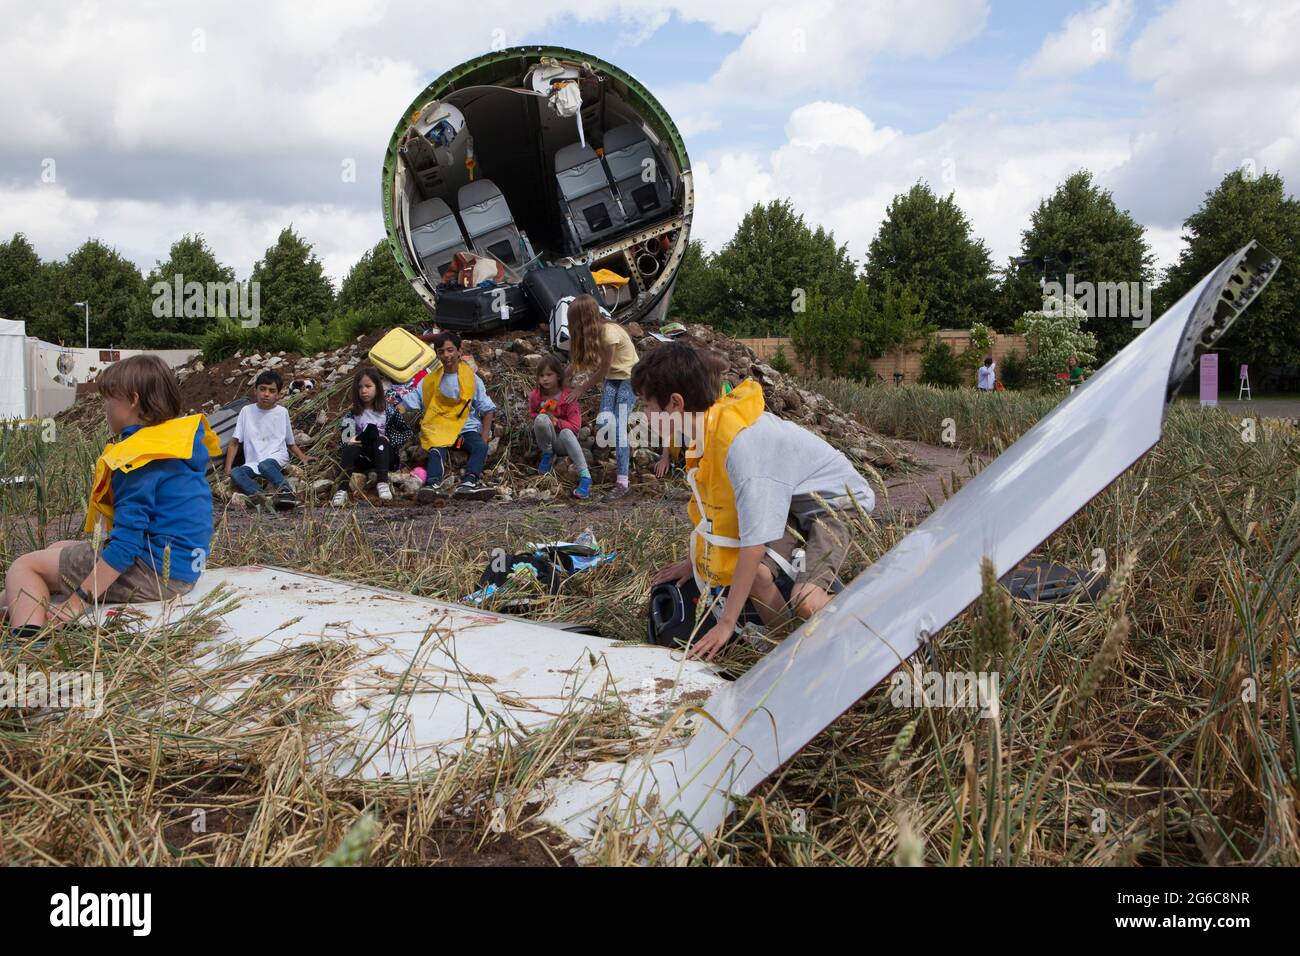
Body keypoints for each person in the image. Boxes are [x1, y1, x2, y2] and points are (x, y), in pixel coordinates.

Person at [638, 344, 875, 662]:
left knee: (806, 599)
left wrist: (726, 623)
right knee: (758, 578)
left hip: (837, 503)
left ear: (675, 404)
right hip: (793, 502)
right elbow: (719, 515)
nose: (643, 414)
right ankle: (793, 653)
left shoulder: (741, 447)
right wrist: (694, 562)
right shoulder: (707, 430)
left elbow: (752, 545)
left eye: (647, 405)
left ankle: (878, 617)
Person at [3, 355, 218, 637]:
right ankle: (18, 605)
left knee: (25, 566)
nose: (105, 408)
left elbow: (127, 545)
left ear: (132, 400)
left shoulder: (138, 458)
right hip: (184, 569)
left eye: (108, 399)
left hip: (154, 574)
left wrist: (78, 602)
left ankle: (28, 640)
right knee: (58, 548)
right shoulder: (173, 446)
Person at [402, 330, 496, 502]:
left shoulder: (472, 379)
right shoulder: (429, 381)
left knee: (480, 448)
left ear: (460, 351)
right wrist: (386, 411)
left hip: (465, 431)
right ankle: (432, 485)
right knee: (436, 449)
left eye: (450, 350)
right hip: (441, 430)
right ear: (437, 355)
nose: (446, 355)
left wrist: (484, 437)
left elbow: (487, 408)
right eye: (441, 352)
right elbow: (408, 403)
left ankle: (469, 483)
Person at [566, 294, 638, 500]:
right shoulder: (592, 335)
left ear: (583, 320)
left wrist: (580, 388)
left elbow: (601, 370)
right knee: (606, 420)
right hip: (612, 379)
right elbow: (578, 361)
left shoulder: (608, 334)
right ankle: (610, 451)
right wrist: (561, 380)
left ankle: (623, 482)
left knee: (619, 424)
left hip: (629, 379)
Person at [225, 370, 311, 511]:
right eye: (262, 389)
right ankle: (261, 496)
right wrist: (228, 469)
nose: (266, 394)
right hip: (253, 462)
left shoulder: (282, 412)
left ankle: (286, 492)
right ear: (256, 390)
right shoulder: (246, 411)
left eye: (272, 391)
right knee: (236, 473)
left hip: (276, 456)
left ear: (277, 395)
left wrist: (303, 457)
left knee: (265, 466)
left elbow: (290, 442)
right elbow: (234, 442)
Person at [331, 365, 412, 507]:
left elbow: (406, 432)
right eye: (360, 387)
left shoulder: (389, 411)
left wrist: (390, 440)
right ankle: (342, 490)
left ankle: (382, 483)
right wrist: (351, 440)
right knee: (351, 448)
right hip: (362, 457)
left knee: (378, 437)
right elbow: (344, 440)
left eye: (368, 386)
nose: (364, 391)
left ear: (377, 388)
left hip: (383, 455)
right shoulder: (352, 414)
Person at [655, 348, 730, 479]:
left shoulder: (726, 389)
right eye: (723, 374)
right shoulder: (693, 393)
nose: (727, 377)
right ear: (713, 373)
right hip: (690, 445)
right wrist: (664, 457)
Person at [529, 355, 592, 499]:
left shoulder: (568, 396)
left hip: (565, 443)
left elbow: (576, 427)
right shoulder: (535, 396)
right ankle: (548, 454)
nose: (545, 379)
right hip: (549, 440)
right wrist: (544, 415)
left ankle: (585, 476)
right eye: (541, 375)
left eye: (549, 375)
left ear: (558, 376)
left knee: (566, 432)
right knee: (541, 418)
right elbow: (532, 413)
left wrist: (557, 421)